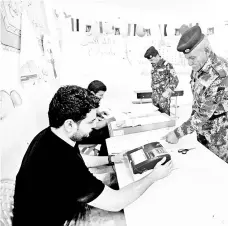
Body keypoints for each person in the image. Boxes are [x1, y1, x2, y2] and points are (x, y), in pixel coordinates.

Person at [12, 85, 173, 226]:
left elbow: (81, 159)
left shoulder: (50, 135)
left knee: (115, 180)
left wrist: (111, 159)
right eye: (90, 122)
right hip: (62, 220)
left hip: (52, 208)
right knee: (134, 216)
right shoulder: (63, 163)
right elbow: (117, 202)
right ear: (69, 124)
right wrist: (154, 176)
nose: (95, 125)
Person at [162, 25, 228, 164]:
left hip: (218, 135)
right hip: (201, 129)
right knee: (201, 166)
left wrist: (178, 133)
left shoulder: (220, 73)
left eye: (192, 58)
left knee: (217, 172)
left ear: (207, 51)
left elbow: (205, 113)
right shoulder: (198, 66)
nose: (189, 63)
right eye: (187, 58)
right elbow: (198, 101)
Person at [80, 80, 113, 156]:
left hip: (85, 129)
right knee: (108, 132)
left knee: (107, 129)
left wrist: (99, 113)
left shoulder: (87, 100)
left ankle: (104, 154)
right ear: (92, 93)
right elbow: (96, 126)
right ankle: (104, 157)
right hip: (82, 135)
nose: (102, 97)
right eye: (100, 95)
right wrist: (112, 119)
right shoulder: (86, 104)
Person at [144, 46, 179, 115]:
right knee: (155, 119)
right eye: (150, 60)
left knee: (165, 119)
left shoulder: (167, 65)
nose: (151, 62)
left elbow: (175, 80)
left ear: (157, 56)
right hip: (155, 97)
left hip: (164, 99)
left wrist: (167, 92)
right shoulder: (154, 66)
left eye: (152, 60)